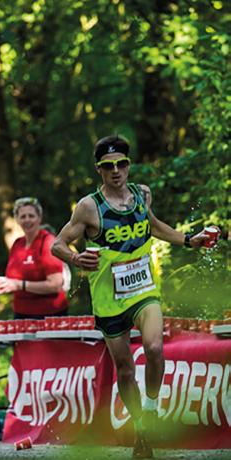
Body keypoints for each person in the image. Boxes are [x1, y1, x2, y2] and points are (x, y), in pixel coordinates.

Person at [51, 135, 216, 459]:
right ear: (99, 169)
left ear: (128, 165)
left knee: (154, 347)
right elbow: (57, 243)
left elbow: (152, 225)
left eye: (122, 164)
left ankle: (151, 411)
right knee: (124, 369)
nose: (116, 171)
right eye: (108, 166)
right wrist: (75, 258)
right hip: (109, 298)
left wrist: (188, 240)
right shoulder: (88, 206)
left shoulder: (142, 194)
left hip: (143, 289)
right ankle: (140, 427)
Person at [0, 197, 68, 319]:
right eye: (22, 216)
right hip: (20, 314)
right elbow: (13, 278)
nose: (27, 220)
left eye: (31, 216)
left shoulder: (48, 242)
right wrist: (5, 284)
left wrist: (19, 285)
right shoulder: (17, 244)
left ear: (39, 218)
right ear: (16, 219)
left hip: (49, 315)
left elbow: (55, 284)